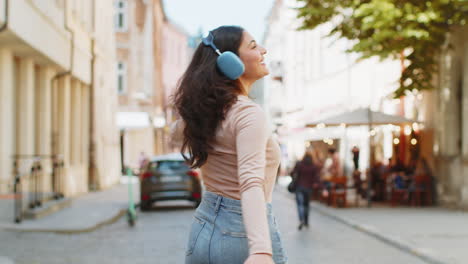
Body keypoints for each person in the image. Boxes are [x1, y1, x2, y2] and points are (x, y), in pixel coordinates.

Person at [173, 26, 287, 264]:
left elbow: (174, 132)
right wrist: (261, 251)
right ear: (229, 61)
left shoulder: (206, 112)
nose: (264, 51)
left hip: (204, 228)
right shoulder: (247, 113)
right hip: (240, 234)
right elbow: (250, 182)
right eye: (254, 46)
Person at [290, 150, 322, 230]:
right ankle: (306, 222)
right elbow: (317, 178)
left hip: (299, 187)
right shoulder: (314, 166)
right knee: (306, 205)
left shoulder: (299, 164)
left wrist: (294, 178)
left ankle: (301, 220)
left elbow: (292, 173)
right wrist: (323, 188)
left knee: (300, 204)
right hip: (308, 188)